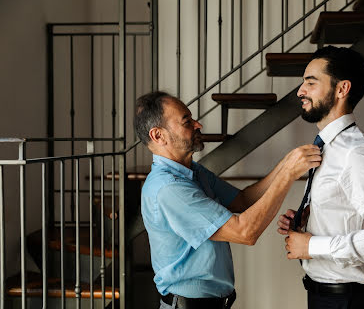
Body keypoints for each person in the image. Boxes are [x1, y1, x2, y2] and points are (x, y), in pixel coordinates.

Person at [134, 91, 322, 309]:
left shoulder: (193, 171)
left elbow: (243, 200)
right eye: (187, 121)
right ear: (158, 136)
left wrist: (285, 163)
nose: (198, 124)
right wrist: (288, 174)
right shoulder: (169, 188)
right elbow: (245, 232)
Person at [277, 46, 364, 309]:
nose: (300, 91)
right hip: (323, 297)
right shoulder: (327, 147)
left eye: (310, 83)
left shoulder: (358, 154)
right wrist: (309, 220)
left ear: (341, 89)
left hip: (351, 301)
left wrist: (313, 245)